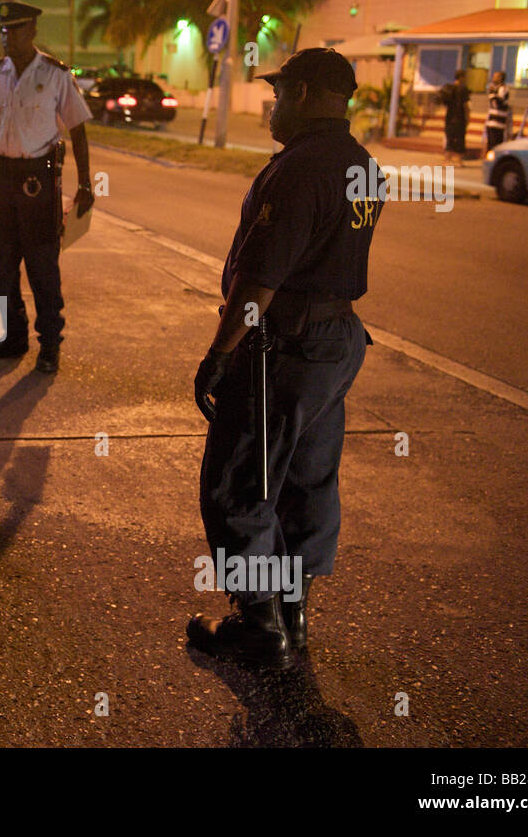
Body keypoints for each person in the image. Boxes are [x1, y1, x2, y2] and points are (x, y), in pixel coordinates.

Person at [187, 48, 383, 671]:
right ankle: (293, 614)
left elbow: (258, 280)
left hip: (284, 347)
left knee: (243, 481)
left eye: (277, 93)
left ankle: (259, 626)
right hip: (335, 344)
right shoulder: (361, 163)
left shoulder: (299, 170)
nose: (271, 105)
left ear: (301, 92)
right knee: (306, 480)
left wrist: (219, 355)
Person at [0, 1, 95, 374]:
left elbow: (77, 128)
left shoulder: (56, 75)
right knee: (2, 266)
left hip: (37, 183)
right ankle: (13, 339)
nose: (5, 37)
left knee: (43, 264)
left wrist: (84, 183)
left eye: (13, 30)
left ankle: (49, 344)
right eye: (2, 31)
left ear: (31, 31)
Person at [437, 70, 470, 164]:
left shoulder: (449, 88)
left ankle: (447, 160)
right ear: (461, 77)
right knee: (460, 138)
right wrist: (468, 117)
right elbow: (465, 105)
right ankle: (459, 161)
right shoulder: (463, 89)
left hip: (450, 117)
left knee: (449, 138)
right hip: (460, 117)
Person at [485, 70, 511, 152]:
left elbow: (498, 102)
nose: (493, 78)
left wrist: (492, 94)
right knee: (490, 144)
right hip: (491, 121)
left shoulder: (503, 89)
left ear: (500, 78)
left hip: (498, 122)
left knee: (496, 145)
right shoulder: (495, 89)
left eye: (495, 76)